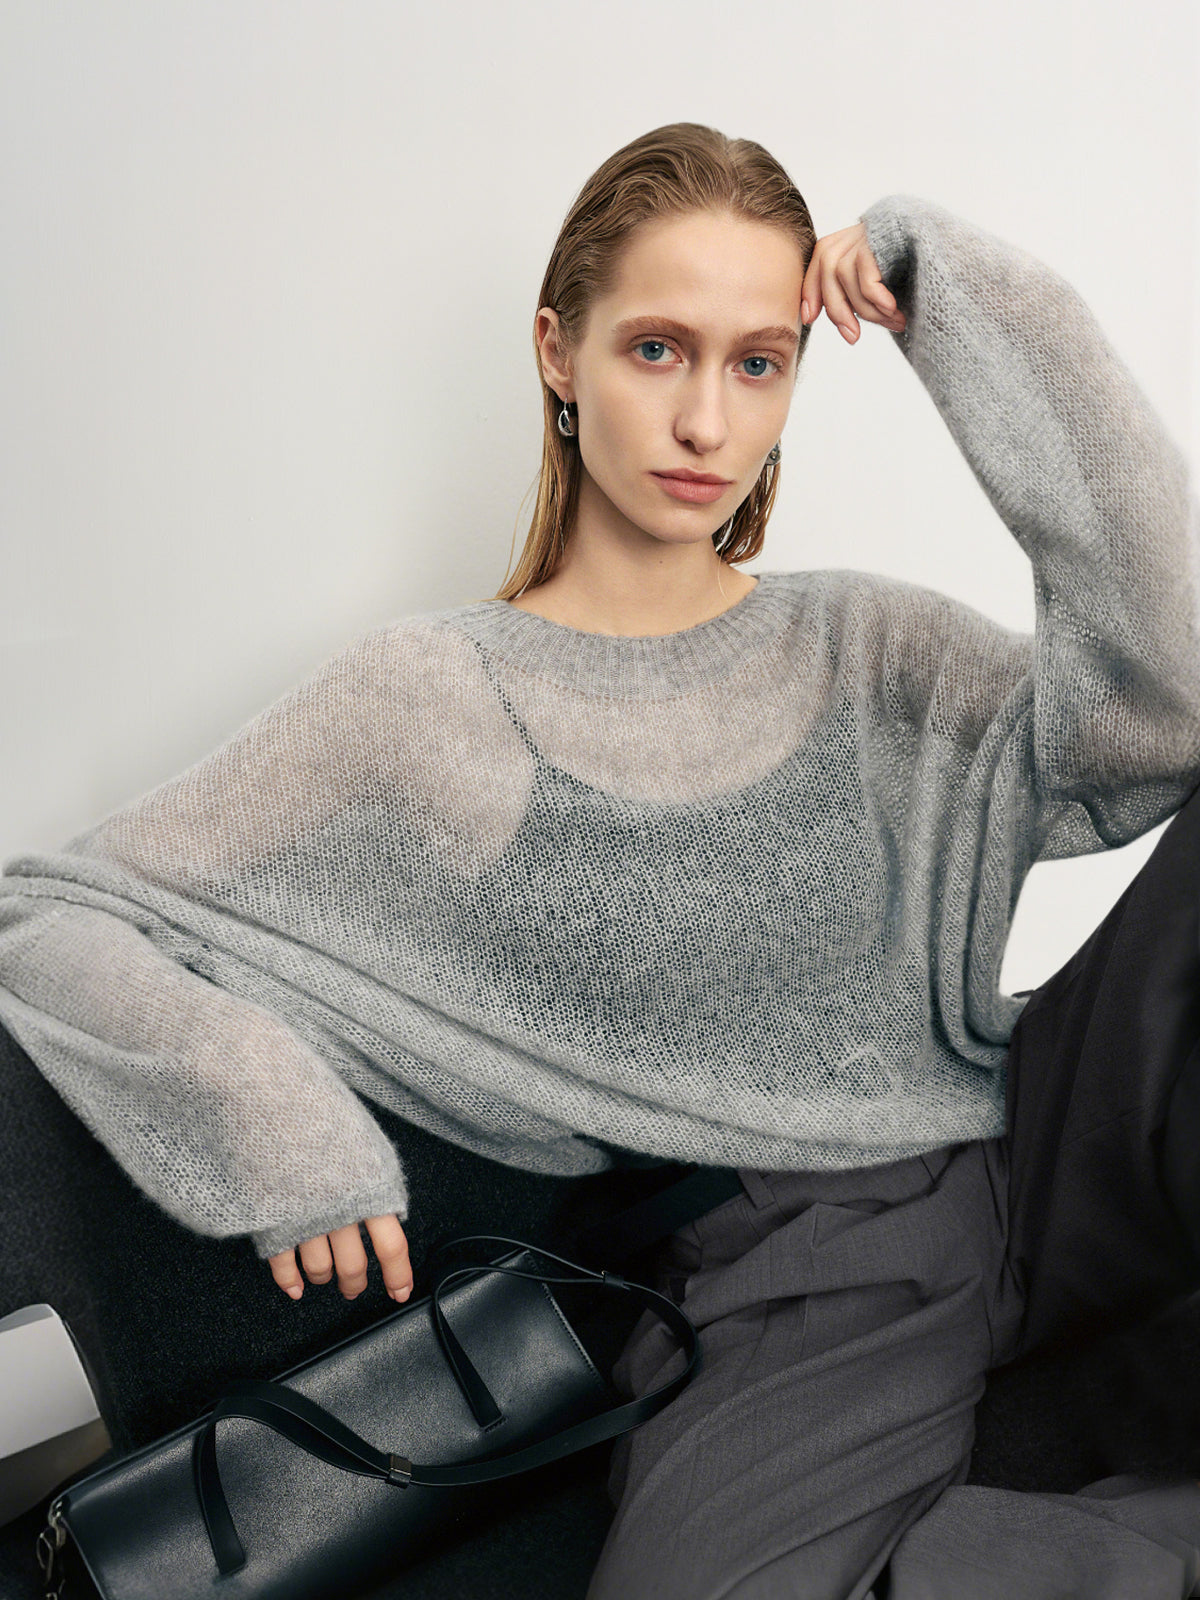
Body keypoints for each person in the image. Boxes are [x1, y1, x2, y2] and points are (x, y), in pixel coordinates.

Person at [2, 120, 1200, 1596]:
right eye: (657, 350)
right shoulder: (432, 701)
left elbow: (1171, 707)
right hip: (807, 1254)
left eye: (757, 362)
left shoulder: (874, 647)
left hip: (1055, 1139)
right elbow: (50, 914)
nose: (706, 419)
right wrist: (269, 1123)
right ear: (558, 353)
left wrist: (965, 302)